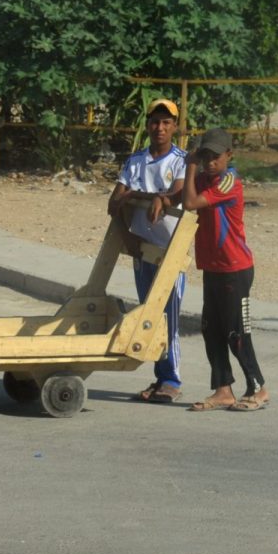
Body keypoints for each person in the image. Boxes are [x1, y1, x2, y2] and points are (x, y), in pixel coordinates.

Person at [179, 130, 270, 412]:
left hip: (235, 268)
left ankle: (257, 387)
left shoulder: (229, 181)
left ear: (229, 155)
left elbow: (190, 202)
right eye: (204, 156)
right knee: (211, 330)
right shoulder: (206, 180)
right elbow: (181, 194)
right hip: (213, 267)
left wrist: (190, 164)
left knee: (237, 332)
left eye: (215, 156)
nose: (209, 162)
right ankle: (223, 390)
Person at [108, 98, 189, 403]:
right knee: (149, 313)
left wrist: (161, 199)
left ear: (175, 127)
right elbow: (114, 203)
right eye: (155, 121)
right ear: (148, 125)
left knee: (168, 316)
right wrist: (143, 200)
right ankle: (159, 378)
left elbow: (180, 191)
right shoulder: (135, 161)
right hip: (142, 249)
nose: (160, 128)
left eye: (167, 122)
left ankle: (171, 380)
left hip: (170, 250)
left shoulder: (182, 160)